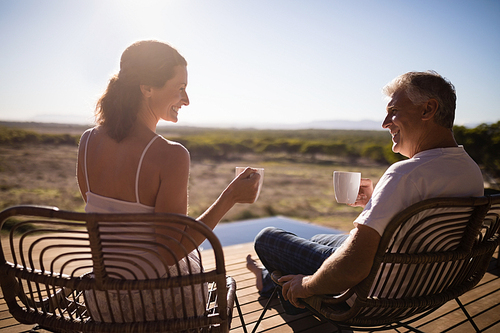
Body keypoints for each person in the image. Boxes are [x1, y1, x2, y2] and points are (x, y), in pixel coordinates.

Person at [246, 70, 484, 314]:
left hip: (373, 293)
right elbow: (420, 229)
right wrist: (375, 203)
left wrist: (306, 285)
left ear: (427, 110)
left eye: (394, 111)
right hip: (427, 286)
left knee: (267, 237)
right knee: (317, 239)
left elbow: (353, 267)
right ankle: (269, 281)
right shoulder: (470, 170)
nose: (385, 123)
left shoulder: (405, 174)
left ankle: (294, 300)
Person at [76, 40, 260, 322]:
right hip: (162, 303)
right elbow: (171, 251)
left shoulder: (88, 142)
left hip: (103, 303)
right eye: (180, 89)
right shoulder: (171, 155)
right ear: (147, 88)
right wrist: (229, 198)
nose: (186, 100)